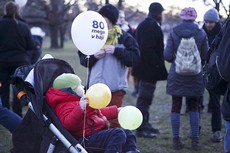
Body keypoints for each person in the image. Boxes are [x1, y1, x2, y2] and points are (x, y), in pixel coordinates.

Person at [78, 4, 140, 128]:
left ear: (111, 20)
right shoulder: (92, 37)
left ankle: (116, 146)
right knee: (94, 122)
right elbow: (83, 60)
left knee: (114, 122)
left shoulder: (124, 37)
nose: (100, 20)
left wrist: (117, 51)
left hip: (115, 90)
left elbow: (134, 59)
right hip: (93, 90)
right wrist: (94, 56)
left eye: (103, 17)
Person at [46, 73, 140, 153]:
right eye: (79, 85)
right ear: (71, 89)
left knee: (127, 133)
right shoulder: (64, 105)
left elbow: (98, 111)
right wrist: (80, 109)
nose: (83, 87)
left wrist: (116, 111)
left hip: (97, 133)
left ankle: (130, 151)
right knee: (118, 133)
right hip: (86, 139)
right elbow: (68, 124)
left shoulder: (79, 100)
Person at [164, 7, 208, 150]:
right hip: (195, 76)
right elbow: (205, 55)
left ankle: (176, 141)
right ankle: (195, 141)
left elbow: (167, 56)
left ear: (182, 16)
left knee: (176, 107)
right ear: (195, 17)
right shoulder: (201, 32)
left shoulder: (174, 32)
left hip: (177, 75)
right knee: (194, 107)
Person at [131, 2, 168, 138]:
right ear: (158, 13)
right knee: (144, 98)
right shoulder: (150, 25)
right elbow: (147, 48)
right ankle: (140, 128)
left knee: (146, 98)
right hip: (148, 69)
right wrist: (158, 64)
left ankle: (145, 123)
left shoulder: (145, 24)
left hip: (145, 68)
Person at [0, 1, 35, 116]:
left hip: (2, 62)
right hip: (19, 62)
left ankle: (5, 112)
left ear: (5, 11)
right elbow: (31, 46)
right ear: (17, 11)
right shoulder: (23, 26)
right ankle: (17, 112)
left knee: (3, 88)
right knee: (18, 89)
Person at [202, 8, 223, 142]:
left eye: (211, 22)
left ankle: (217, 131)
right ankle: (195, 130)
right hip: (202, 69)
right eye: (206, 22)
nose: (208, 24)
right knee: (196, 101)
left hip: (217, 71)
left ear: (216, 22)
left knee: (216, 103)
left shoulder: (223, 33)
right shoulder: (201, 32)